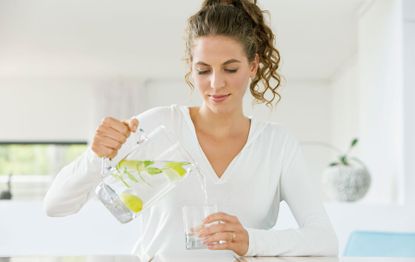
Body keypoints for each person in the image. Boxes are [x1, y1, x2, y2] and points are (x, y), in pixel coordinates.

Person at [44, 0, 338, 260]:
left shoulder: (277, 144)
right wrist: (97, 156)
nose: (215, 84)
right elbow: (55, 205)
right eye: (203, 70)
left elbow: (324, 240)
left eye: (230, 69)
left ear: (254, 65)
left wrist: (251, 241)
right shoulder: (158, 125)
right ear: (191, 68)